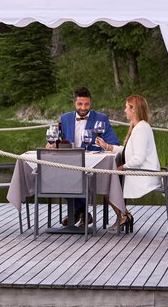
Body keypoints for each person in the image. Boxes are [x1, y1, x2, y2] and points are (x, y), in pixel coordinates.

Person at [47, 87, 120, 227]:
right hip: (68, 163)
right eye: (80, 104)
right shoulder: (65, 118)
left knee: (70, 175)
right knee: (56, 174)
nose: (83, 108)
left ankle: (75, 212)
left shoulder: (101, 118)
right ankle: (82, 212)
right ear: (74, 103)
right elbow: (57, 141)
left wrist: (101, 146)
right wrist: (52, 144)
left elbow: (114, 143)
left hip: (92, 166)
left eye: (86, 104)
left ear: (90, 103)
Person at [96, 95, 160, 232]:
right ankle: (124, 215)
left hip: (143, 174)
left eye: (126, 107)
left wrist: (121, 167)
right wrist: (106, 146)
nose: (124, 110)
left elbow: (139, 158)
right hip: (139, 171)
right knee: (106, 181)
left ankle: (124, 215)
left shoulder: (141, 129)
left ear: (134, 110)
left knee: (105, 183)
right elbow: (126, 151)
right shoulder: (139, 127)